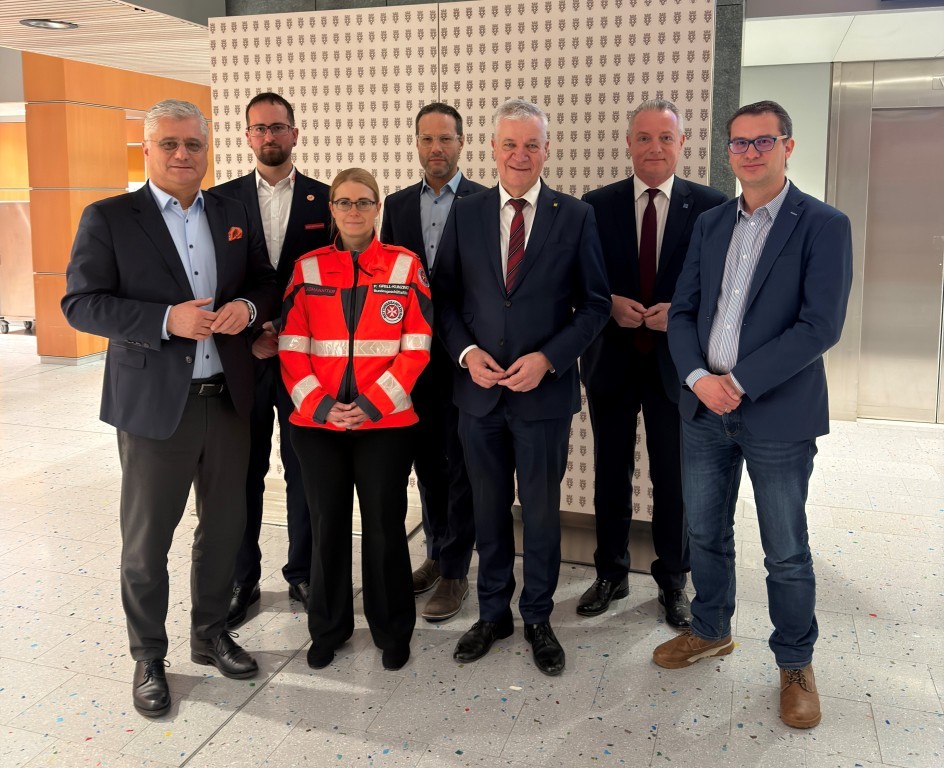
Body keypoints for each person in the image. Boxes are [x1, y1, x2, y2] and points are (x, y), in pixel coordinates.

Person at [61, 99, 279, 717]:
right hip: (157, 406)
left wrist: (251, 311)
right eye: (170, 145)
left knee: (225, 528)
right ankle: (148, 655)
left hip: (229, 401)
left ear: (207, 150)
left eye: (193, 145)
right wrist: (163, 319)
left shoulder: (233, 211)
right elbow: (81, 304)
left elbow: (265, 281)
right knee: (147, 538)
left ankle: (210, 635)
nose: (183, 155)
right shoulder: (109, 217)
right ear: (148, 149)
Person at [653, 101, 853, 730]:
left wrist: (736, 382)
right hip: (703, 409)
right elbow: (682, 311)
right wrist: (697, 379)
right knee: (705, 532)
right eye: (738, 143)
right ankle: (711, 628)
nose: (750, 152)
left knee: (785, 549)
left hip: (777, 412)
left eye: (763, 141)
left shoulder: (823, 224)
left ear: (787, 146)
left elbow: (820, 325)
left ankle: (795, 663)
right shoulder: (712, 225)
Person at [434, 98, 611, 676]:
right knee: (486, 510)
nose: (519, 154)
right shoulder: (467, 212)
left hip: (543, 396)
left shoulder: (575, 215)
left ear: (546, 150)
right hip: (479, 395)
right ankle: (492, 614)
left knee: (538, 512)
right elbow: (445, 299)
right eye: (509, 144)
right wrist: (465, 353)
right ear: (492, 149)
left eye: (531, 144)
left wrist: (550, 359)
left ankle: (537, 615)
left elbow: (595, 306)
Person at [578, 100, 726, 626]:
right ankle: (610, 573)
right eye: (644, 138)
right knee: (610, 474)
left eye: (665, 138)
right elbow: (582, 282)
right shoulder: (595, 206)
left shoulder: (712, 207)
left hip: (678, 367)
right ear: (628, 144)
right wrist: (610, 304)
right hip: (611, 363)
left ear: (682, 143)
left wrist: (682, 316)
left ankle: (672, 582)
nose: (654, 148)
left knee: (673, 477)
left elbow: (724, 292)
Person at [280, 168, 432, 672]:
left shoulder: (405, 266)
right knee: (325, 527)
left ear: (378, 207)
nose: (352, 211)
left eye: (363, 202)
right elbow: (291, 347)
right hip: (316, 426)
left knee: (386, 528)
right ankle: (328, 629)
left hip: (386, 426)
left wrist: (369, 405)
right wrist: (323, 406)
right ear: (332, 209)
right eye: (343, 202)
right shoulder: (308, 268)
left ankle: (392, 631)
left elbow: (416, 347)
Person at [214, 92, 332, 627]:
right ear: (246, 136)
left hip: (305, 362)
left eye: (278, 127)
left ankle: (302, 572)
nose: (269, 137)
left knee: (304, 469)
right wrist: (249, 338)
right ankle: (243, 579)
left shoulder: (326, 200)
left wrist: (291, 336)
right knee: (244, 472)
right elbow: (213, 285)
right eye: (259, 128)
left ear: (295, 133)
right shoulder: (219, 202)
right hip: (244, 360)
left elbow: (335, 281)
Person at [379, 102, 485, 622]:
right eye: (427, 139)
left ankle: (458, 572)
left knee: (462, 466)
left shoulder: (487, 202)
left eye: (445, 139)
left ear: (462, 142)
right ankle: (438, 553)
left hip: (467, 358)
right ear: (416, 144)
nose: (436, 149)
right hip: (414, 361)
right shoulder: (396, 207)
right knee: (426, 463)